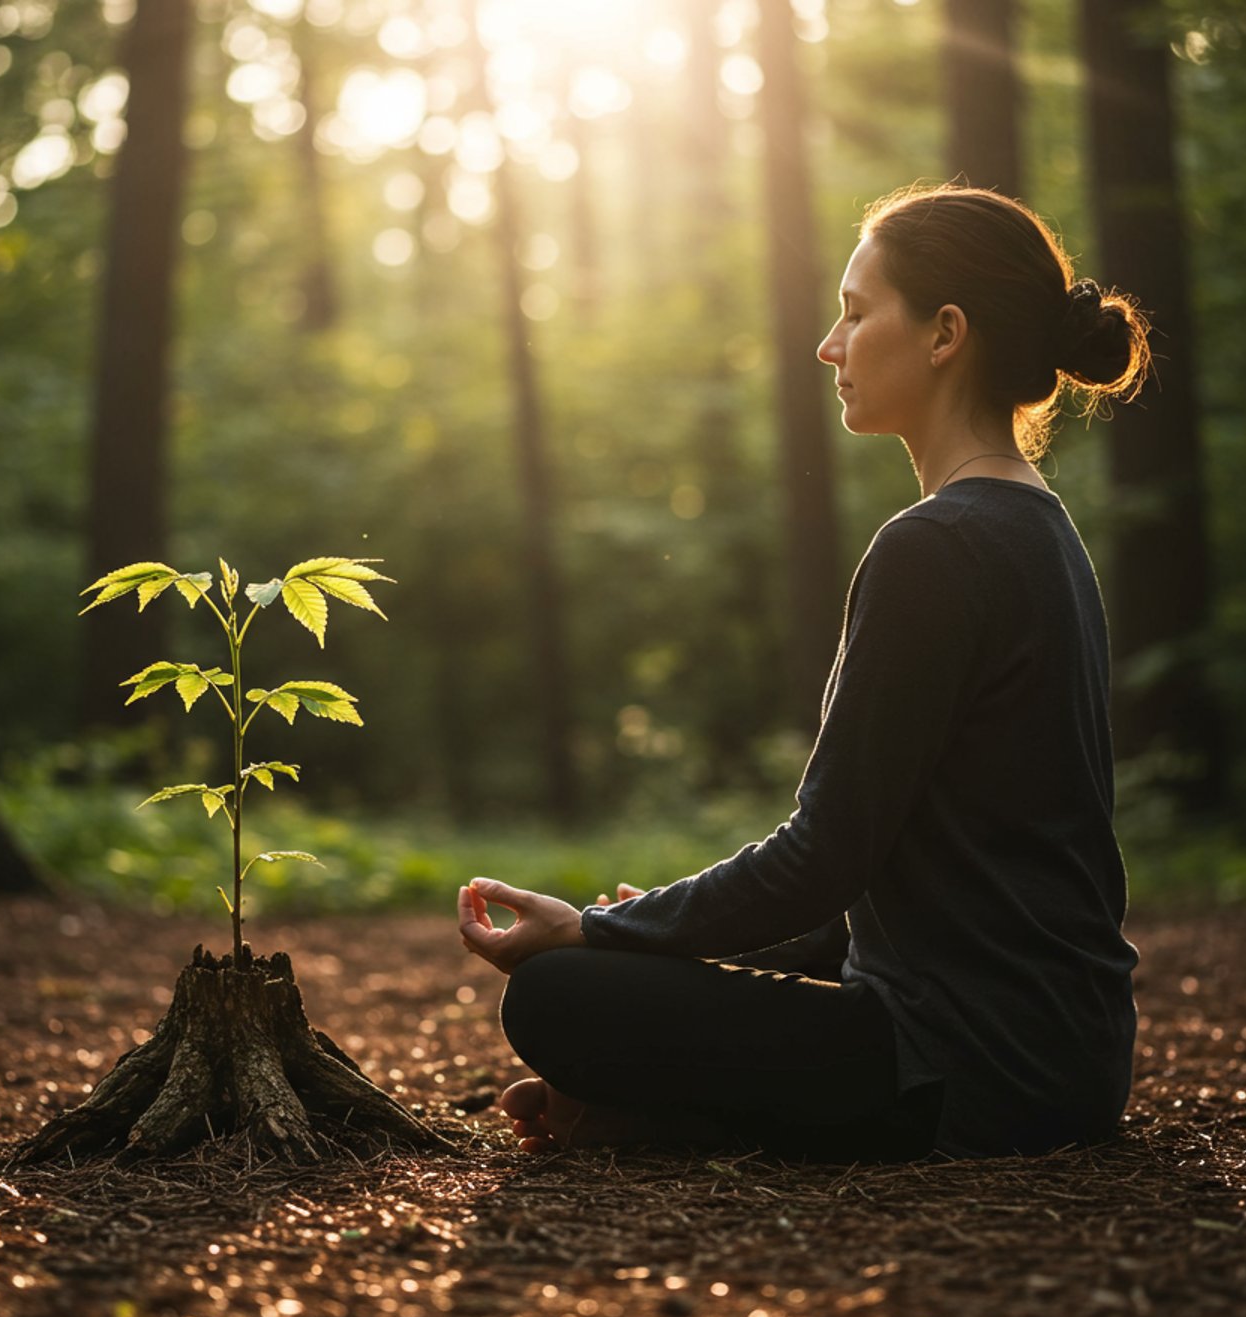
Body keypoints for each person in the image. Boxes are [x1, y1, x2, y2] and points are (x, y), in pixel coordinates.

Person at [455, 184, 1149, 1161]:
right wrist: (647, 930)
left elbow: (823, 860)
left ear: (946, 333)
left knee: (561, 997)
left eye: (858, 313)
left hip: (972, 1065)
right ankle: (650, 1113)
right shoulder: (1040, 532)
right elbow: (880, 882)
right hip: (1062, 1054)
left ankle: (659, 1115)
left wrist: (601, 940)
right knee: (606, 981)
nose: (830, 345)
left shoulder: (939, 546)